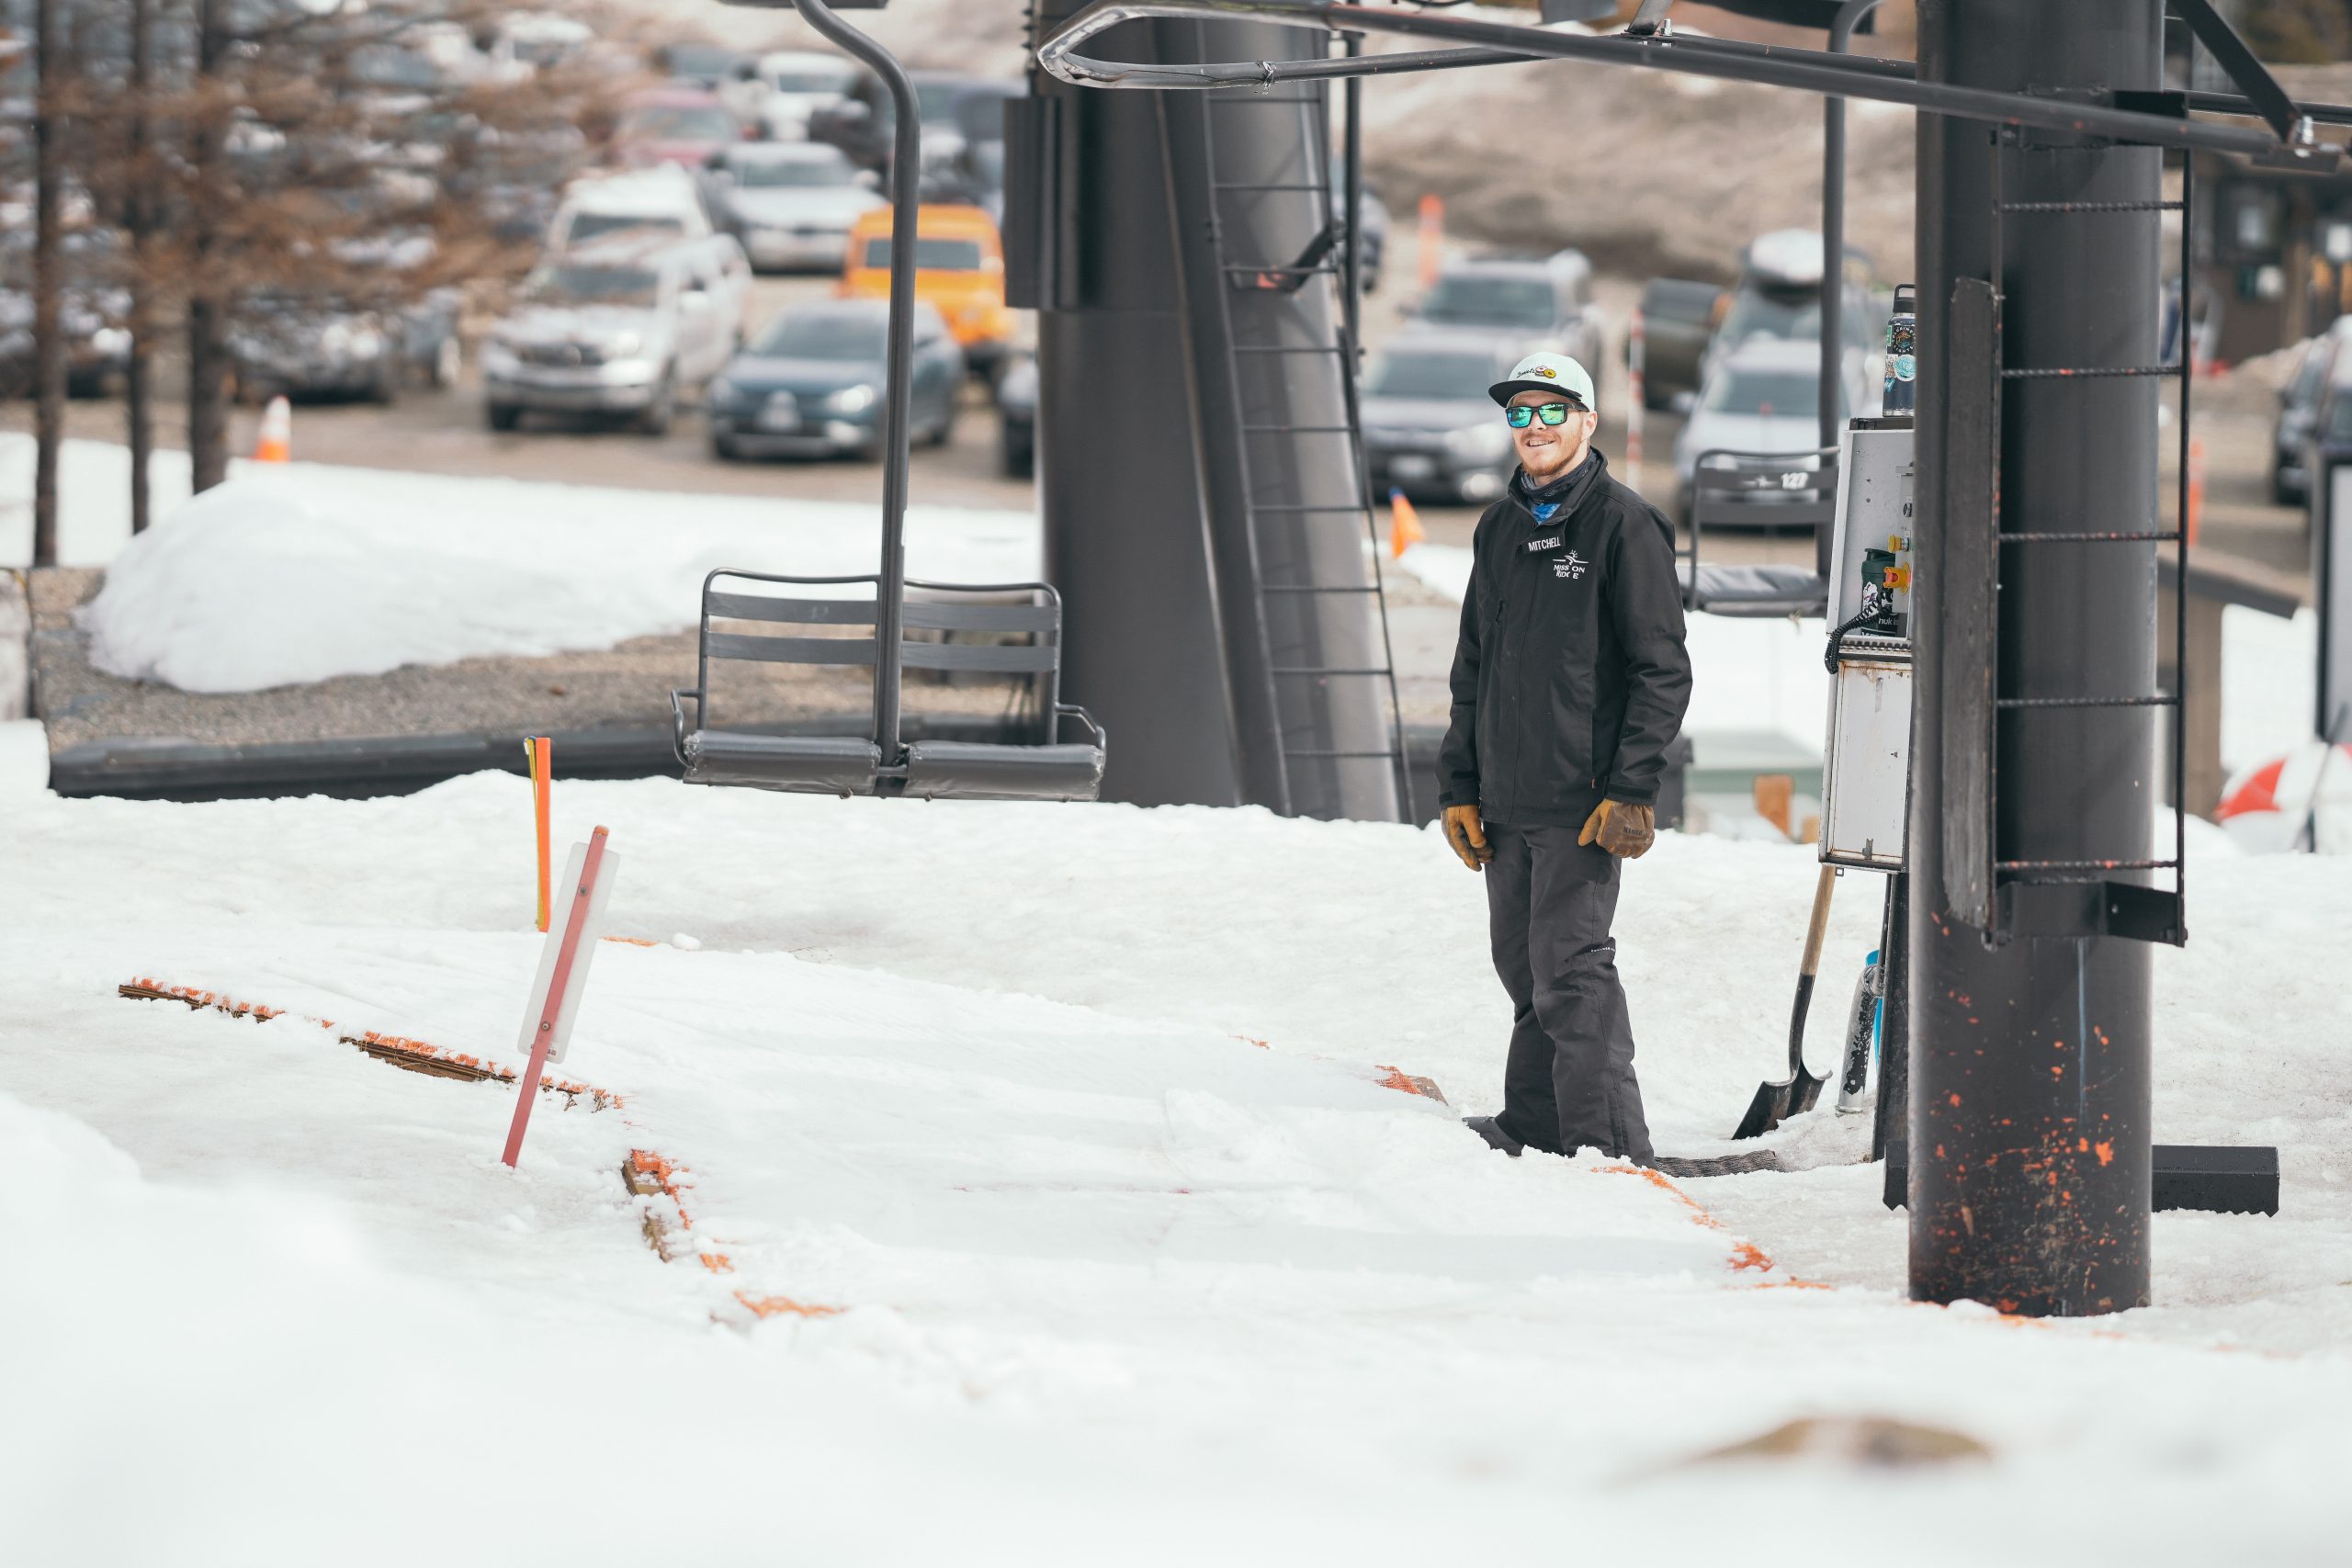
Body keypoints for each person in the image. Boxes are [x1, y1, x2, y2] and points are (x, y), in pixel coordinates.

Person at [1435, 351, 1691, 1164]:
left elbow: (1661, 668)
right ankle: (1537, 1122)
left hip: (1584, 801)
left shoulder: (1624, 523)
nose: (1535, 427)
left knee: (1572, 970)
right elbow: (1473, 664)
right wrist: (1460, 786)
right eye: (1520, 414)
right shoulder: (1499, 526)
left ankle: (1608, 1143)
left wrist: (1631, 787)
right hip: (1507, 799)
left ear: (1587, 420)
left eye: (1553, 410)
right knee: (1523, 967)